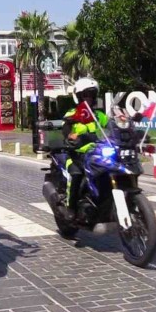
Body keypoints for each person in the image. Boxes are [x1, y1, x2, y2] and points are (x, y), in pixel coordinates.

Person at [60, 77, 108, 221]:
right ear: (79, 97)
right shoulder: (72, 114)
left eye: (92, 95)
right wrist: (70, 135)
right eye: (85, 95)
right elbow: (66, 129)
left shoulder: (99, 115)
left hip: (96, 153)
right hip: (76, 154)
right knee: (76, 174)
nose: (89, 98)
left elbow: (111, 126)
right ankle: (70, 207)